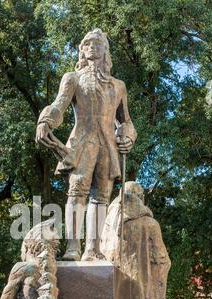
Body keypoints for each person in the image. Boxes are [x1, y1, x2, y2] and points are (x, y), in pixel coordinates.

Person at [36, 28, 137, 261]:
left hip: (108, 145)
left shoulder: (118, 85)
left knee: (101, 196)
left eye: (98, 43)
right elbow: (58, 105)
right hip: (81, 142)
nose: (92, 47)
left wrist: (129, 136)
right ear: (82, 50)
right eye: (87, 43)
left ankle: (93, 249)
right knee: (77, 191)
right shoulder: (73, 78)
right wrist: (45, 121)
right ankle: (73, 247)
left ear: (105, 50)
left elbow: (127, 121)